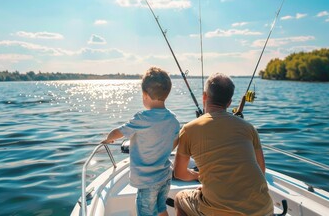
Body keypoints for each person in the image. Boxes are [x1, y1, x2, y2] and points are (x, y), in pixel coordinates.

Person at [173, 73, 273, 216]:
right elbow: (261, 170)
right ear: (229, 102)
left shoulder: (189, 129)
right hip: (264, 209)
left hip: (222, 212)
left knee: (179, 198)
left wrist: (197, 176)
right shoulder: (249, 128)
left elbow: (180, 173)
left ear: (204, 96)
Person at [101, 67, 180, 216]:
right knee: (161, 208)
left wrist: (108, 138)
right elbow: (175, 142)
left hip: (147, 182)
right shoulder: (173, 119)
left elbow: (119, 132)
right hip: (165, 176)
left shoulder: (142, 118)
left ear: (144, 95)